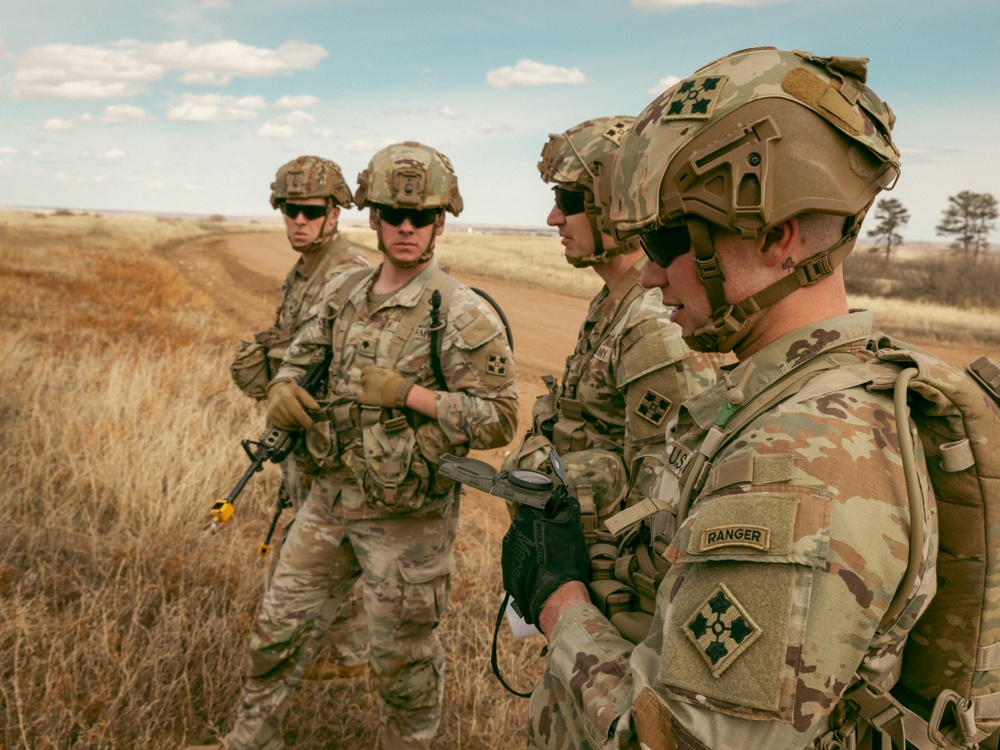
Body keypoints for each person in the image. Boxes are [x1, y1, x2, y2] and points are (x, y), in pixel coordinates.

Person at [501, 47, 939, 749]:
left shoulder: (795, 460)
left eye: (669, 238)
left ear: (776, 238)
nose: (648, 275)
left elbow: (674, 741)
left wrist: (562, 603)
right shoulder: (789, 404)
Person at [205, 141, 518, 750]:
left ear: (440, 222)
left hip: (407, 520)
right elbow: (298, 364)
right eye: (393, 216)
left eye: (421, 217)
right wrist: (284, 393)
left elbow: (501, 419)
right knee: (277, 629)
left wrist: (410, 395)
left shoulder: (458, 312)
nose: (407, 228)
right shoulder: (342, 294)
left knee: (401, 666)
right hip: (329, 498)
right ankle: (249, 740)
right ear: (371, 217)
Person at [504, 116, 723, 549]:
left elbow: (660, 493)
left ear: (613, 205)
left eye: (568, 201)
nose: (553, 218)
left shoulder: (653, 323)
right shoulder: (613, 300)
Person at [228, 154, 371, 679]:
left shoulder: (351, 274)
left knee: (318, 551)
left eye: (310, 210)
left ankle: (334, 653)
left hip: (330, 442)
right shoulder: (304, 269)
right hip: (302, 440)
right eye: (289, 209)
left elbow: (353, 371)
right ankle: (347, 653)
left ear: (335, 212)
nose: (299, 220)